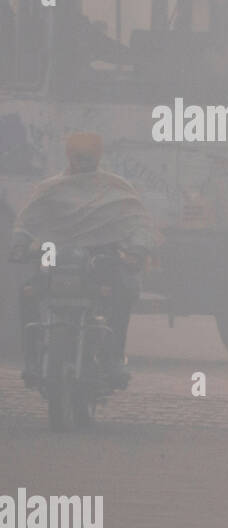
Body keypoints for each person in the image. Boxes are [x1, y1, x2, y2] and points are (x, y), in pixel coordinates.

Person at [8, 132, 155, 387]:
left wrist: (138, 250)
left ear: (97, 156)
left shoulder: (114, 187)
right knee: (29, 291)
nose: (83, 162)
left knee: (120, 291)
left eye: (88, 157)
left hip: (101, 256)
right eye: (78, 157)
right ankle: (32, 359)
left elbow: (137, 221)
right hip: (56, 256)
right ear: (69, 156)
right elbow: (28, 219)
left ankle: (112, 358)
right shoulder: (51, 188)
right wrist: (20, 243)